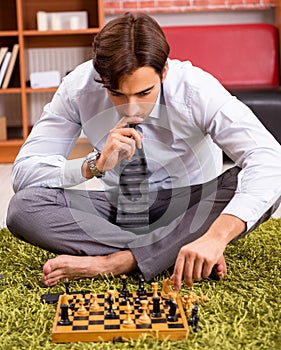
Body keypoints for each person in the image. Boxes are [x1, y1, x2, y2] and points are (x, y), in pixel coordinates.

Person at [7, 13, 281, 291]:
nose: (131, 109)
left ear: (163, 72)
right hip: (119, 210)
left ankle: (116, 262)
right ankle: (168, 251)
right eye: (116, 93)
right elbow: (24, 174)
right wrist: (95, 164)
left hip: (189, 207)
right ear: (100, 78)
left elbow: (269, 158)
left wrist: (216, 237)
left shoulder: (195, 89)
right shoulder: (78, 88)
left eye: (144, 93)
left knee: (258, 181)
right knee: (24, 208)